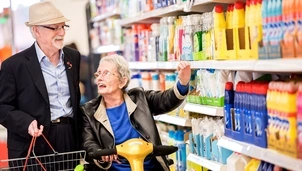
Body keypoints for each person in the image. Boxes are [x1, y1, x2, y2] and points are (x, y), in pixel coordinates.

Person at [0, 1, 82, 169]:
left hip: (68, 137)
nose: (61, 33)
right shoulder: (14, 66)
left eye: (63, 26)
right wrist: (26, 123)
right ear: (36, 30)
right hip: (33, 140)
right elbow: (2, 107)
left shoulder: (73, 57)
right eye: (54, 28)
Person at [81, 54, 191, 171]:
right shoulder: (88, 111)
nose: (99, 78)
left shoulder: (140, 98)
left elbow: (166, 100)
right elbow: (88, 142)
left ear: (122, 81)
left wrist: (183, 83)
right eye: (98, 74)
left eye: (106, 73)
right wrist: (100, 153)